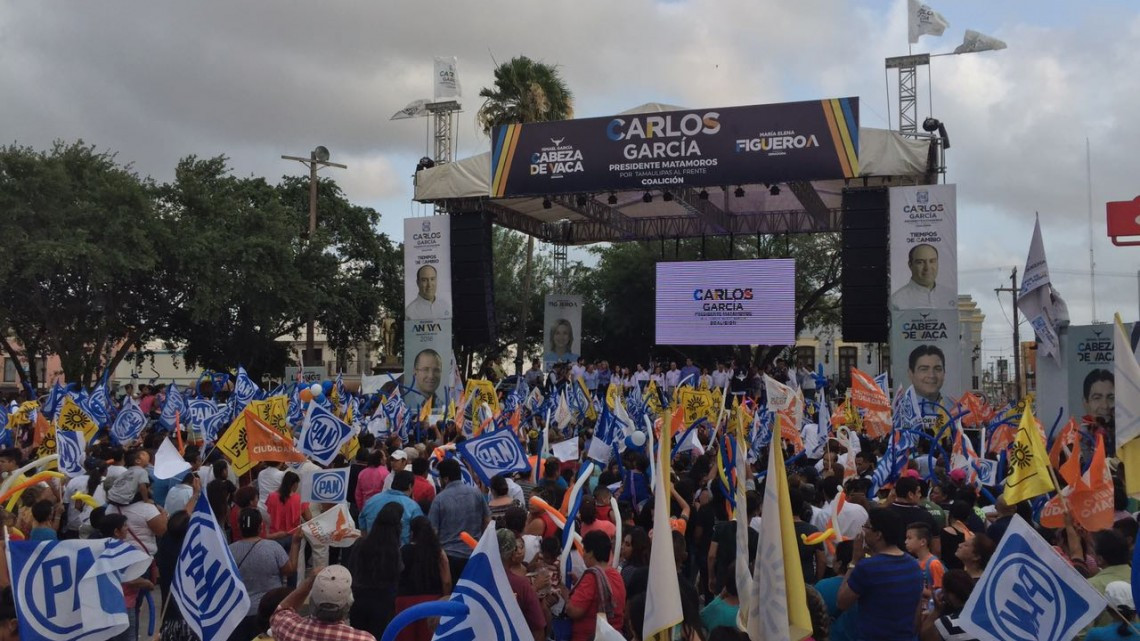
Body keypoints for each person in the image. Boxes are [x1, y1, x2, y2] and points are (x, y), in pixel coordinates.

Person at [838, 508, 924, 641]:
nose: (864, 531)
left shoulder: (867, 567)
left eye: (866, 527)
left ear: (878, 534)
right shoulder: (914, 565)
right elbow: (916, 616)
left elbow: (842, 602)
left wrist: (854, 561)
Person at [228, 508, 303, 641]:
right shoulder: (272, 547)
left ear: (239, 526)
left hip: (239, 613)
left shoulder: (229, 551)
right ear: (260, 526)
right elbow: (290, 569)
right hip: (268, 611)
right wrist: (295, 543)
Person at [271, 565, 374, 641]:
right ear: (348, 605)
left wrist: (309, 582)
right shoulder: (364, 639)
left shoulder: (287, 628)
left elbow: (281, 610)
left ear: (311, 601)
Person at [347, 502, 403, 638]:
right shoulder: (394, 551)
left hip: (358, 599)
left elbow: (351, 569)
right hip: (384, 603)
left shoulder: (361, 544)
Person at [429, 458, 491, 579]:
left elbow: (433, 532)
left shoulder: (439, 499)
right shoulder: (476, 493)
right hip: (474, 553)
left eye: (440, 478)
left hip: (449, 558)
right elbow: (487, 521)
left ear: (446, 479)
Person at [561, 530, 627, 641]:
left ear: (591, 553)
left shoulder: (592, 577)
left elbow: (574, 610)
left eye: (584, 550)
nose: (583, 555)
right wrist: (579, 582)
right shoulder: (616, 575)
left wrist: (565, 594)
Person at [396, 516, 452, 641]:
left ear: (412, 532)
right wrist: (445, 598)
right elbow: (446, 580)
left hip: (405, 602)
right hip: (431, 602)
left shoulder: (403, 550)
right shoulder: (438, 552)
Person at [497, 529, 548, 641]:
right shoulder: (521, 584)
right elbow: (538, 629)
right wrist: (534, 588)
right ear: (512, 553)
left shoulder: (479, 577)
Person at [359, 470, 422, 543]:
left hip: (372, 550)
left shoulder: (372, 500)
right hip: (400, 552)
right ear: (410, 486)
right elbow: (419, 533)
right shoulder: (413, 507)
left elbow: (363, 527)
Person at [890, 243, 956, 310]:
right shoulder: (896, 301)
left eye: (932, 261)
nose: (927, 268)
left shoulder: (950, 295)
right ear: (910, 265)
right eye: (920, 262)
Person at [265, 472, 311, 546]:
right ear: (295, 484)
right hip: (293, 536)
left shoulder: (271, 496)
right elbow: (309, 517)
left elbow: (269, 513)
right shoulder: (299, 499)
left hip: (274, 535)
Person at [1081, 369, 1116, 458]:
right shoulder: (1076, 439)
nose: (1105, 405)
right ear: (1086, 403)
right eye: (1097, 398)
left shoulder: (1127, 436)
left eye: (1111, 398)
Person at [905, 523, 944, 602]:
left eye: (909, 538)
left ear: (923, 542)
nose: (906, 542)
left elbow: (940, 595)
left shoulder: (934, 564)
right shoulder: (914, 563)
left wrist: (919, 589)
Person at [405, 349, 445, 413]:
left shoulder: (444, 407)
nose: (431, 376)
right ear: (415, 371)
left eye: (436, 370)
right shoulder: (403, 403)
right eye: (425, 369)